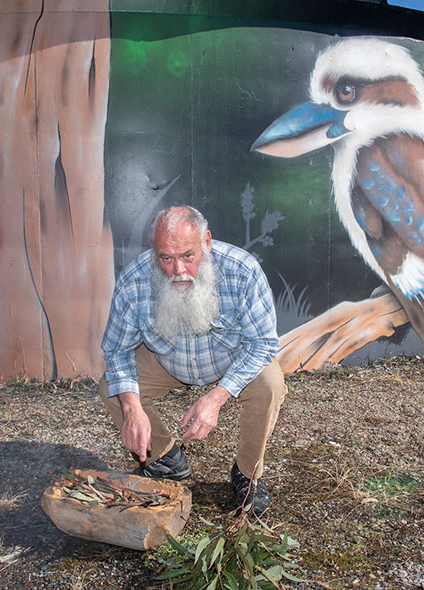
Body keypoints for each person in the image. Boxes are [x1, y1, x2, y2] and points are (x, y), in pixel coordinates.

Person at [99, 205, 287, 514]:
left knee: (269, 382)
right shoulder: (134, 280)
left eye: (188, 255)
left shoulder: (243, 270)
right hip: (168, 362)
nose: (178, 271)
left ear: (207, 243)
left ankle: (248, 474)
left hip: (229, 361)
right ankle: (165, 460)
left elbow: (263, 344)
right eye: (166, 259)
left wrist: (215, 398)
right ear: (153, 251)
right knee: (114, 386)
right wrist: (132, 410)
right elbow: (117, 351)